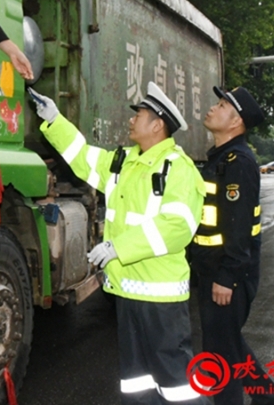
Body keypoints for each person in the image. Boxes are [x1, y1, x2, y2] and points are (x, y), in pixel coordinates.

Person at [29, 82, 208, 405]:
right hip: (127, 293)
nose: (131, 120)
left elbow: (177, 227)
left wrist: (117, 248)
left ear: (157, 125)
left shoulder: (178, 168)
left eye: (139, 115)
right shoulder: (123, 161)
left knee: (176, 384)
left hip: (160, 296)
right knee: (136, 382)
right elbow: (82, 158)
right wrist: (54, 120)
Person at [190, 87, 274, 405]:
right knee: (227, 344)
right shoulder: (221, 157)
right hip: (212, 268)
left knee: (221, 358)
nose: (212, 109)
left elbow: (240, 226)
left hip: (227, 274)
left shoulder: (239, 162)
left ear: (236, 122)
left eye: (221, 106)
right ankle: (269, 398)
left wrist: (226, 277)